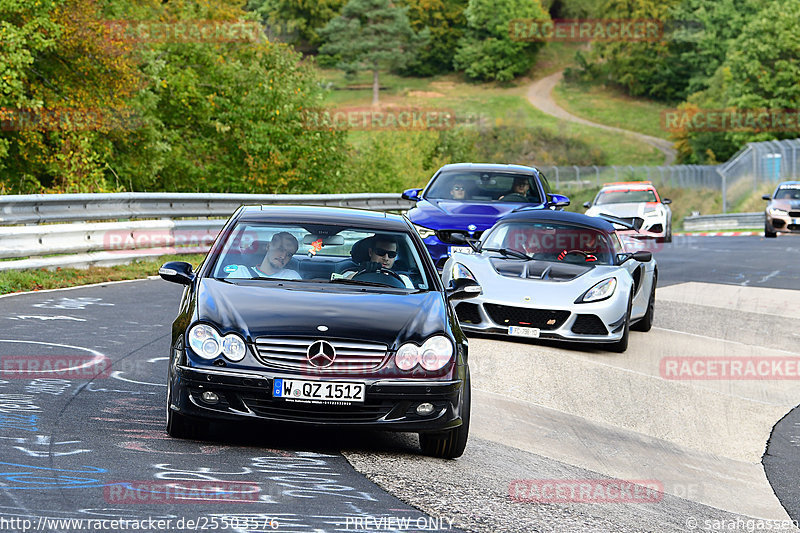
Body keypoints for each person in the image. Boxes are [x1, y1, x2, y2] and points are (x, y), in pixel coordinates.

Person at [344, 235, 414, 288]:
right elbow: (339, 289)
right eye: (380, 252)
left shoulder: (403, 279)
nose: (386, 258)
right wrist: (361, 272)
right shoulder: (350, 273)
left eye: (391, 254)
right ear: (370, 252)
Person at [226, 231, 300, 279]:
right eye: (280, 249)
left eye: (289, 254)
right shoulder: (240, 272)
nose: (283, 256)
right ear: (268, 247)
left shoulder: (292, 277)